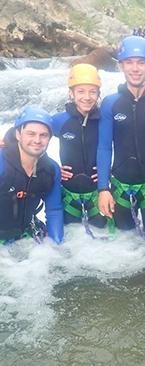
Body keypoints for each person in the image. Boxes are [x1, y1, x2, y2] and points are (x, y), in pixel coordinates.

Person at [97, 36, 145, 235]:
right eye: (129, 63)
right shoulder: (110, 103)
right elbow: (104, 147)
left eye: (141, 63)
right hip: (119, 188)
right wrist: (103, 189)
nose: (135, 68)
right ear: (121, 66)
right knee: (125, 248)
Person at [52, 63, 107, 232]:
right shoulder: (59, 120)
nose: (87, 97)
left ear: (98, 94)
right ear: (71, 93)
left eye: (92, 91)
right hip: (69, 195)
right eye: (81, 91)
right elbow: (32, 140)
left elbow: (122, 144)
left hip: (98, 195)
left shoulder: (104, 120)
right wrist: (53, 169)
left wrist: (109, 170)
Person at [0, 108, 63, 245]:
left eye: (43, 135)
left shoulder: (51, 170)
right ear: (18, 134)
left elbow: (54, 210)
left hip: (24, 238)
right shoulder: (1, 162)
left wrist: (56, 247)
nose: (37, 140)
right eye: (31, 134)